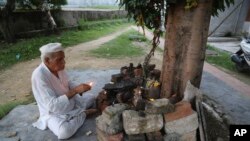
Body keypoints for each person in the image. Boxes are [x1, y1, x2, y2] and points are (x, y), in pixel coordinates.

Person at [31, 43, 97, 139]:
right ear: (47, 60)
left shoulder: (58, 68)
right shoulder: (39, 76)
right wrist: (75, 91)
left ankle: (78, 112)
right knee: (64, 132)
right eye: (59, 60)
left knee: (91, 97)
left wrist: (80, 88)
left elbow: (68, 83)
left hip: (70, 103)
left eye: (63, 58)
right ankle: (83, 114)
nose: (64, 62)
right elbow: (52, 106)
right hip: (54, 113)